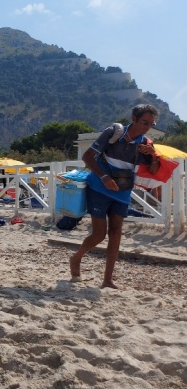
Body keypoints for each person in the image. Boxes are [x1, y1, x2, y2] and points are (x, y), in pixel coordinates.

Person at [69, 104, 161, 289]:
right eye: (145, 122)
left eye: (151, 124)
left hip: (122, 191)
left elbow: (153, 171)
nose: (147, 127)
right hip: (99, 188)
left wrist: (154, 156)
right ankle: (76, 258)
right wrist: (103, 177)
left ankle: (107, 280)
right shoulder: (114, 132)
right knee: (99, 234)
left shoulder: (145, 144)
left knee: (116, 233)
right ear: (134, 119)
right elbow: (88, 157)